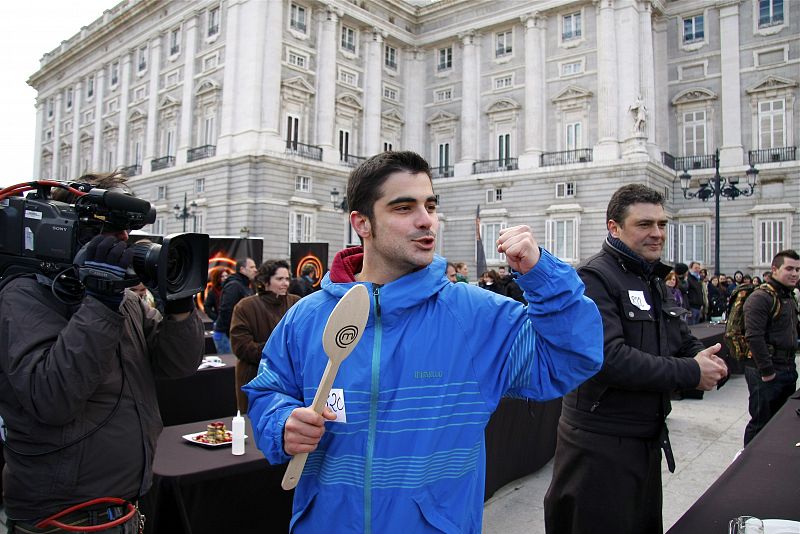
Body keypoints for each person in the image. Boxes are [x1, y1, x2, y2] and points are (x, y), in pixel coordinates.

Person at [244, 151, 603, 533]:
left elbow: (572, 358)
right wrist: (282, 423)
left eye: (430, 205)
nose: (426, 220)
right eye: (404, 207)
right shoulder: (307, 316)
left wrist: (544, 276)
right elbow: (268, 392)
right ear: (361, 222)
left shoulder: (476, 316)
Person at [0, 172, 205, 533]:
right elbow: (51, 397)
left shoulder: (125, 300)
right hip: (64, 518)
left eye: (126, 231)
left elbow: (179, 364)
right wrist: (99, 302)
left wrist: (180, 303)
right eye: (109, 230)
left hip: (124, 506)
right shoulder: (23, 295)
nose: (123, 241)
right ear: (68, 229)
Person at [544, 184, 728, 534]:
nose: (657, 233)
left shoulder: (651, 277)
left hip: (644, 441)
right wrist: (691, 371)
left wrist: (704, 357)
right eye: (645, 224)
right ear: (614, 227)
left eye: (662, 224)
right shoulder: (593, 277)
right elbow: (609, 358)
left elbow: (676, 337)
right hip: (598, 448)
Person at [742, 249, 800, 446]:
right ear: (774, 269)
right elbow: (754, 336)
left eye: (798, 269)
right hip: (766, 370)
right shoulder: (761, 297)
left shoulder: (789, 296)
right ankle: (746, 467)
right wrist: (767, 372)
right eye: (789, 268)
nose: (795, 274)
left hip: (787, 367)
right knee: (760, 423)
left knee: (781, 423)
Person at [230, 260, 300, 413]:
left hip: (289, 382)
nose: (285, 283)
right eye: (279, 279)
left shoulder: (296, 303)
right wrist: (279, 351)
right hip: (254, 378)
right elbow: (241, 347)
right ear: (265, 281)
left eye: (287, 279)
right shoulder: (245, 306)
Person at [212, 258, 256, 353]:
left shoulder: (245, 285)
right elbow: (226, 310)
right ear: (242, 269)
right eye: (252, 267)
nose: (255, 270)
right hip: (226, 335)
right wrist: (232, 332)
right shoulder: (234, 286)